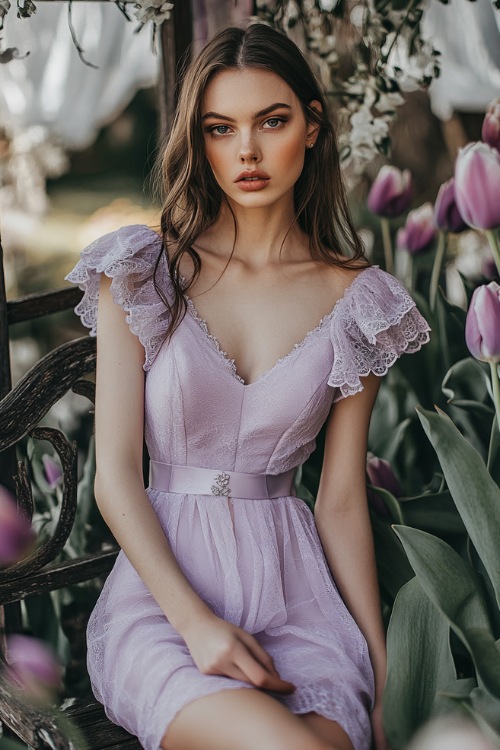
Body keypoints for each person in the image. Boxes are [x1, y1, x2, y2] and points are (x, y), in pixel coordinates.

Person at [65, 22, 430, 750]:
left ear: (314, 127)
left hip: (296, 601)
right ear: (199, 142)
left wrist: (389, 677)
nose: (247, 151)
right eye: (220, 128)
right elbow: (114, 479)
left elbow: (340, 499)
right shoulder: (144, 271)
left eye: (272, 121)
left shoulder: (360, 302)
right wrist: (197, 627)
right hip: (165, 609)